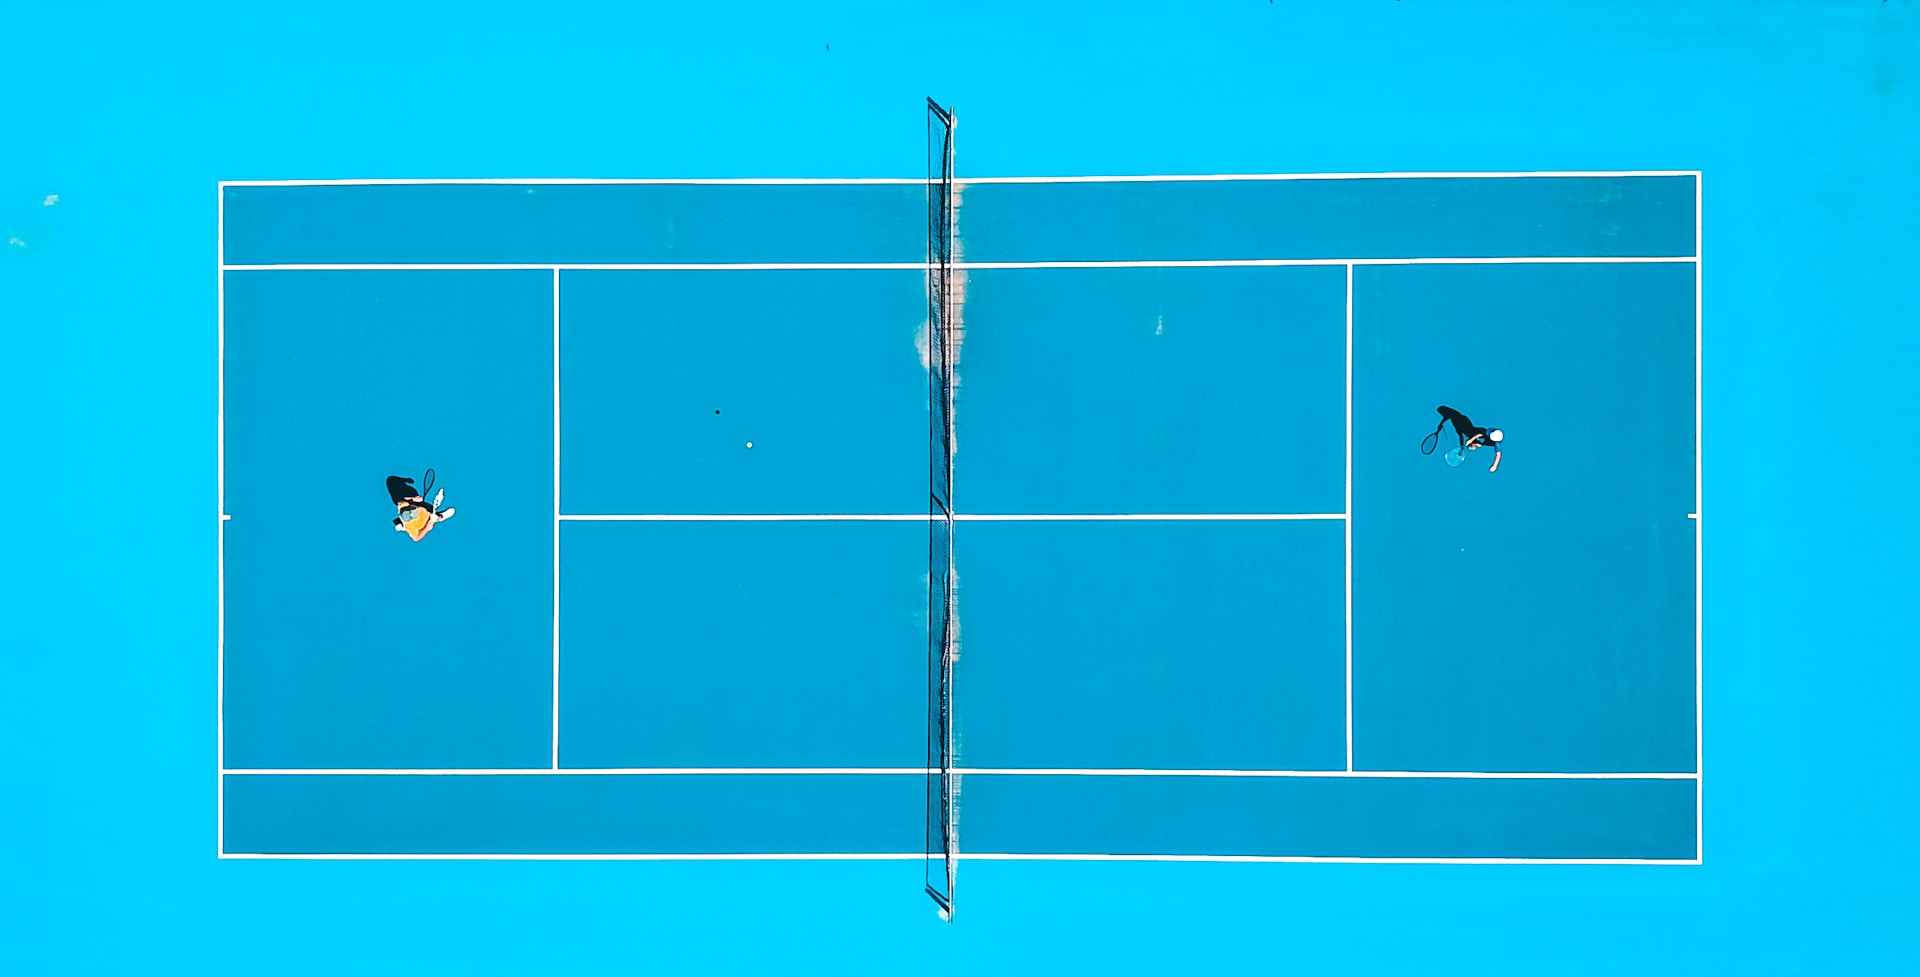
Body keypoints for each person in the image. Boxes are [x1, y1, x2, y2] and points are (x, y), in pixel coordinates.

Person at [1432, 405, 1503, 473]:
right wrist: (1470, 441)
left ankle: (1476, 444)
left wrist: (1495, 466)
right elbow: (1479, 434)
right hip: (1476, 431)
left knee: (1475, 438)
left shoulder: (1496, 442)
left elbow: (1498, 454)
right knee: (1474, 435)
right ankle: (1476, 443)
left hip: (1472, 430)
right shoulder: (1489, 432)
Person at [387, 474, 455, 541]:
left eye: (410, 511)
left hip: (414, 503)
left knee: (392, 482)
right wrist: (428, 527)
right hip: (423, 520)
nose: (411, 514)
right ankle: (441, 516)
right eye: (411, 516)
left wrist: (413, 499)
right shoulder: (411, 525)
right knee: (431, 513)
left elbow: (399, 499)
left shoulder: (403, 505)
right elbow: (416, 538)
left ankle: (401, 524)